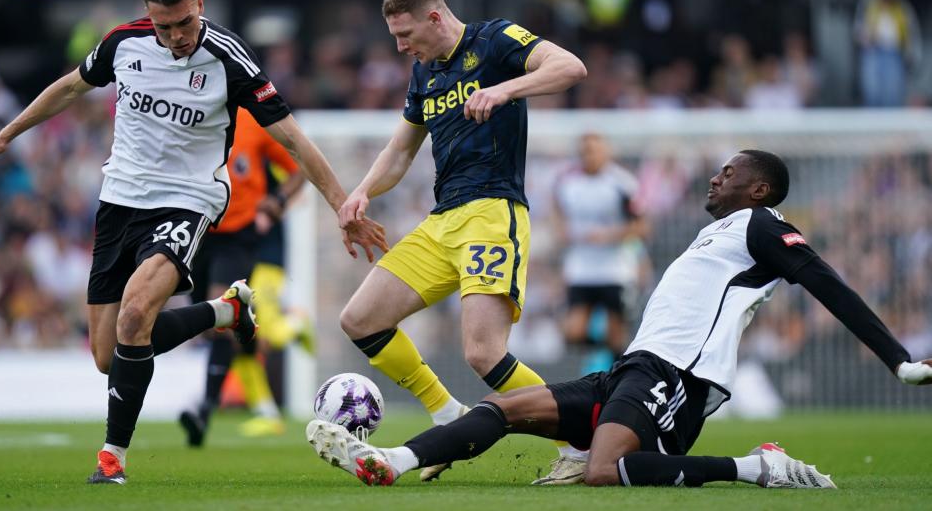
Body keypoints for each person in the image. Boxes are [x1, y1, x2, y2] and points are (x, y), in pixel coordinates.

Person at [0, 0, 387, 485]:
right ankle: (226, 311)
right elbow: (70, 87)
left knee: (135, 315)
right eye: (163, 26)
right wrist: (9, 133)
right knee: (108, 356)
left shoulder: (230, 58)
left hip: (188, 201)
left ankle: (112, 458)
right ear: (149, 15)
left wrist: (342, 207)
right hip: (119, 200)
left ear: (200, 7)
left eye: (184, 24)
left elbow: (292, 139)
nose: (174, 37)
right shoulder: (123, 43)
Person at [308, 150, 932, 488]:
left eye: (731, 172)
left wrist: (898, 359)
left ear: (760, 190)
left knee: (604, 471)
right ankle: (395, 463)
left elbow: (829, 285)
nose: (717, 176)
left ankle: (756, 467)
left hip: (675, 379)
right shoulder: (715, 233)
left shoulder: (763, 227)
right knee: (499, 409)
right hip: (631, 371)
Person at [336, 0, 588, 483]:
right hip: (442, 219)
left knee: (482, 352)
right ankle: (445, 412)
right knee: (360, 319)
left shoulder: (494, 41)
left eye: (405, 35)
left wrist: (506, 87)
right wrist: (361, 192)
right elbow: (401, 149)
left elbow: (570, 66)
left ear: (435, 17)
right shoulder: (423, 73)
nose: (400, 46)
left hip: (493, 212)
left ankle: (578, 447)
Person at [178, 107, 305, 447]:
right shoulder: (190, 112)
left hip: (238, 236)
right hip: (198, 230)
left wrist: (276, 202)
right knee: (212, 324)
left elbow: (298, 167)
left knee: (219, 313)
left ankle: (205, 409)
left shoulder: (255, 120)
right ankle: (246, 331)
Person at [552, 133, 648, 367]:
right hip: (581, 268)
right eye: (585, 151)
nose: (589, 155)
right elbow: (557, 214)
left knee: (615, 331)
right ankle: (618, 358)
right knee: (573, 332)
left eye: (594, 150)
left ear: (606, 152)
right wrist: (561, 231)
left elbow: (642, 226)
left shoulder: (622, 183)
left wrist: (609, 235)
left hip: (615, 269)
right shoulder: (568, 184)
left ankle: (616, 381)